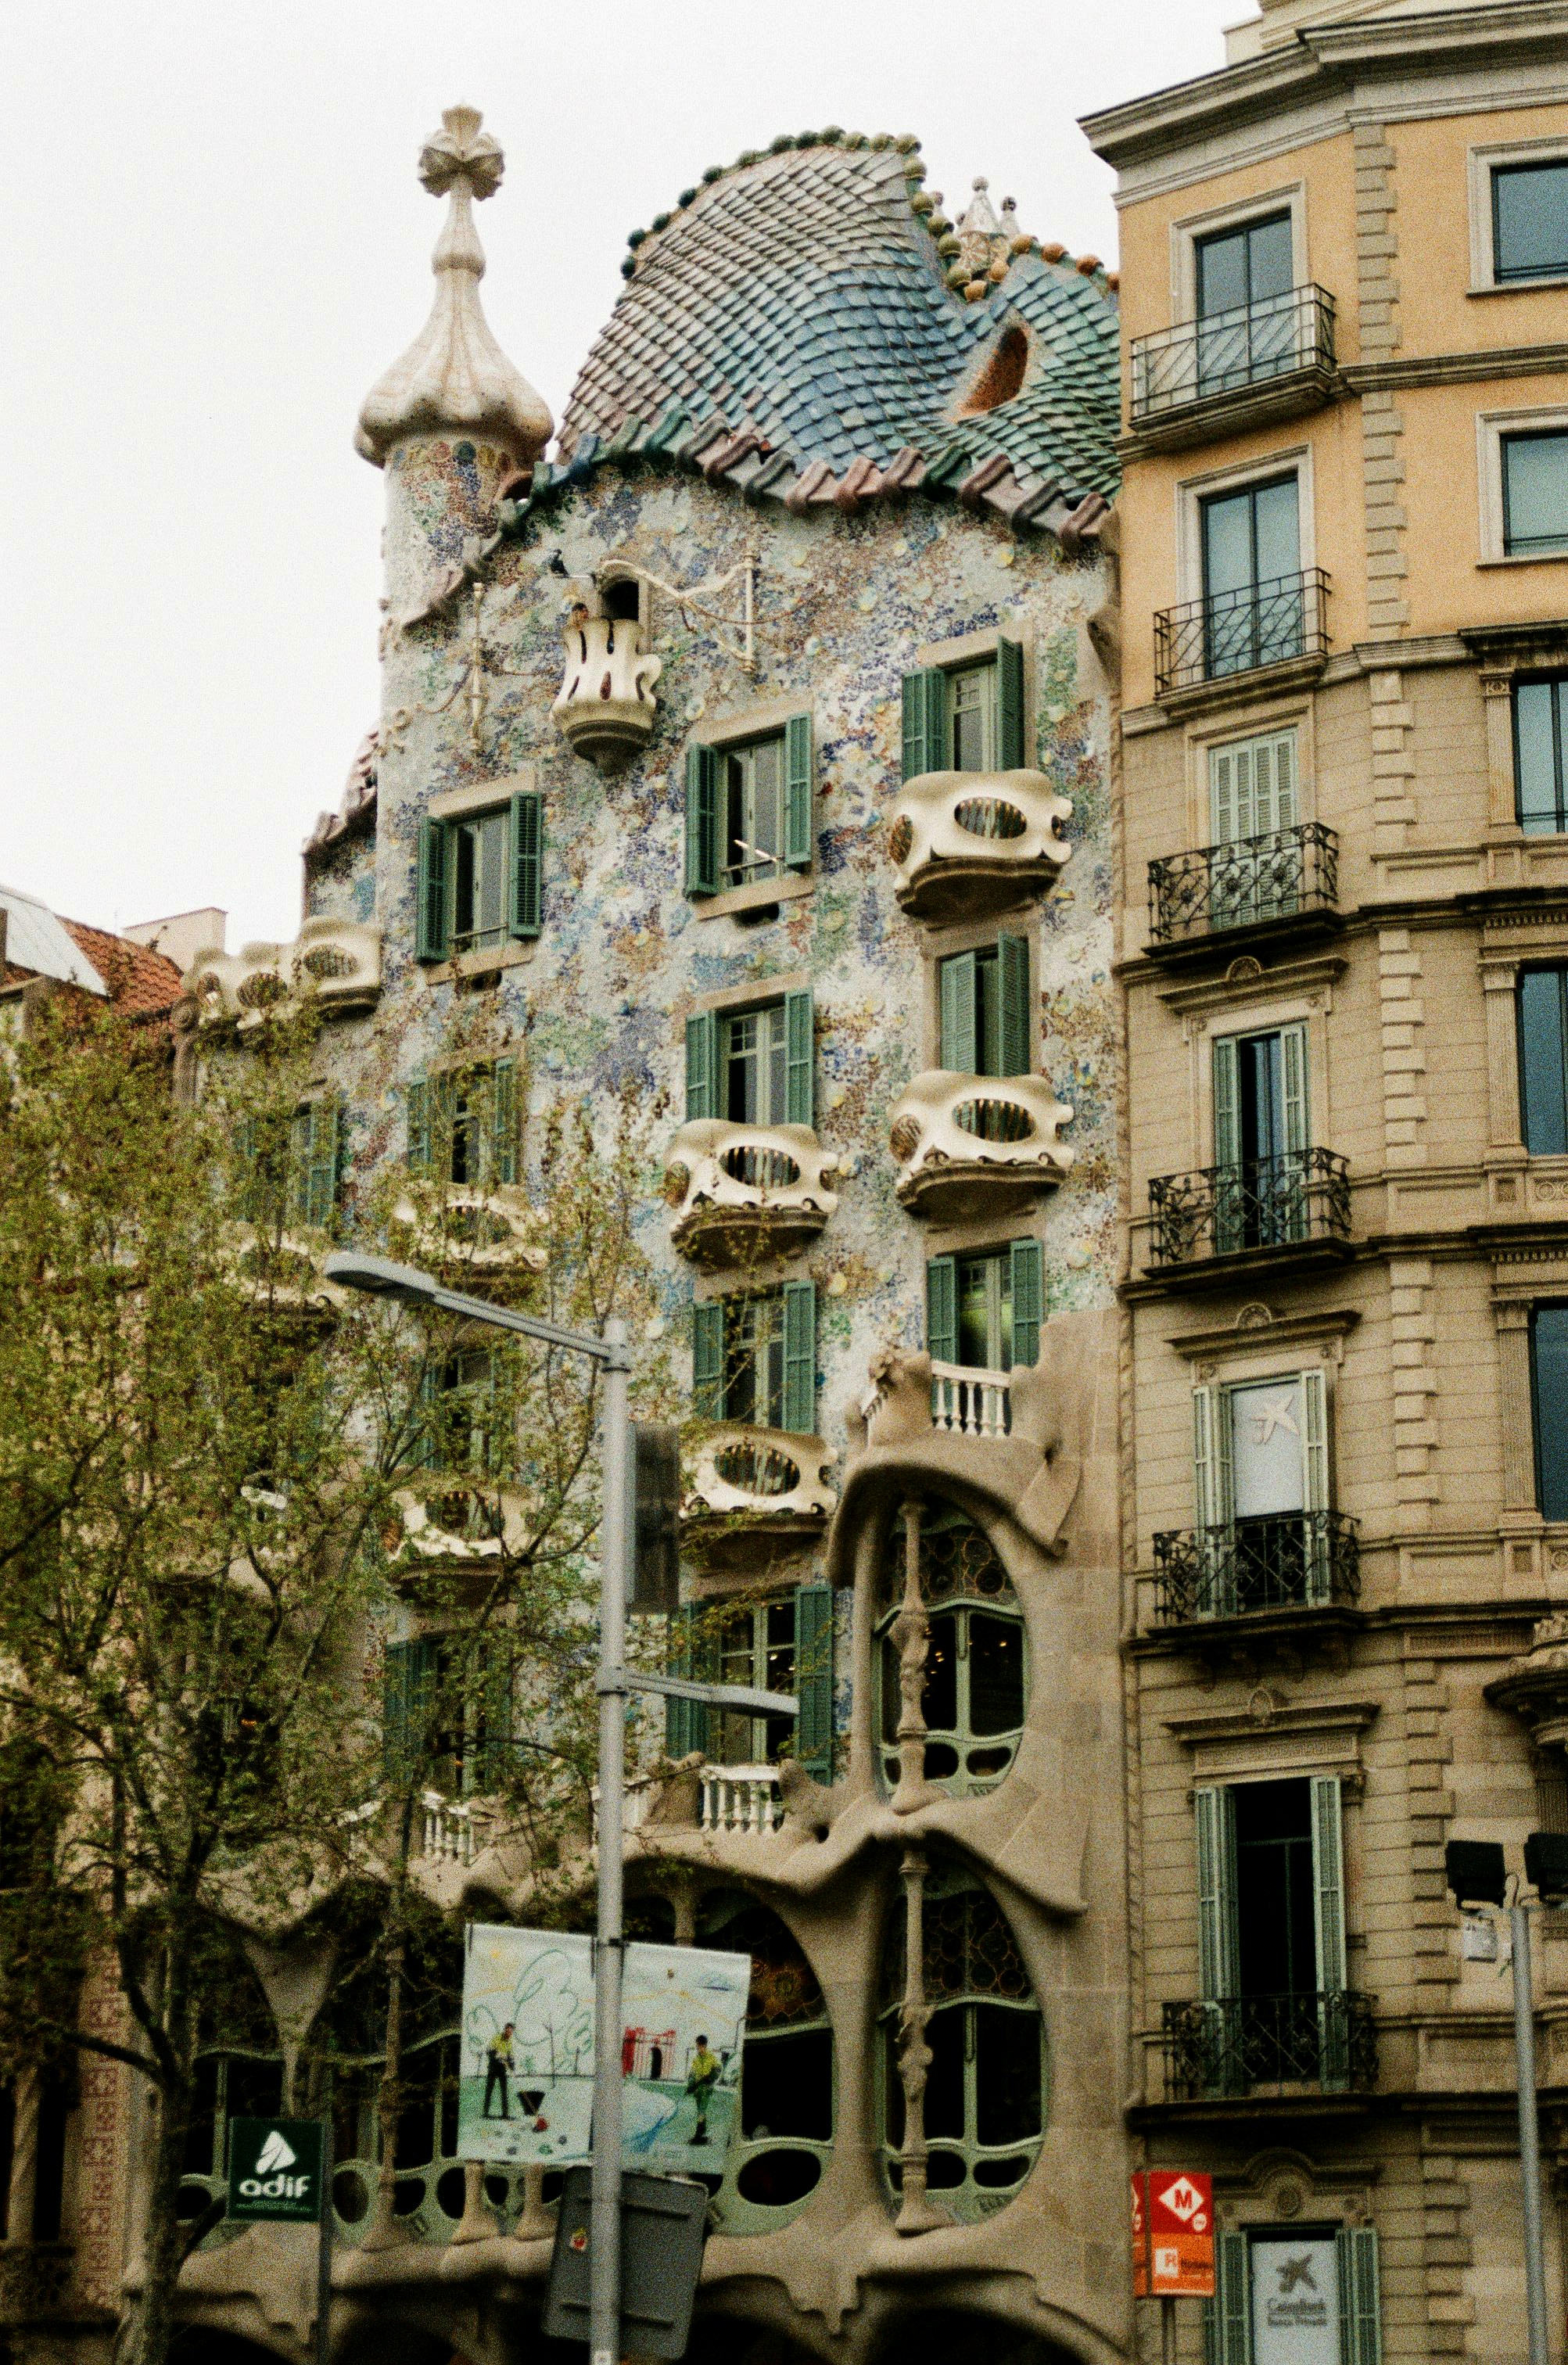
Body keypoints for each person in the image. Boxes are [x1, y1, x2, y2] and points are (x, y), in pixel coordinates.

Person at [685, 2034, 721, 2144]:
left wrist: (710, 2078)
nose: (697, 2048)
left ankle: (698, 2135)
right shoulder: (696, 2059)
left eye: (699, 2046)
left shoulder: (711, 2057)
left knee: (701, 2111)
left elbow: (718, 2069)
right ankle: (703, 2132)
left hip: (706, 2089)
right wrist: (690, 2086)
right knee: (701, 2111)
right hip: (698, 2090)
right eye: (697, 2046)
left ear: (704, 2046)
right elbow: (692, 2074)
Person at [483, 2022, 515, 2119]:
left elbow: (510, 2057)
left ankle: (505, 2114)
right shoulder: (497, 2038)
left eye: (511, 2032)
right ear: (505, 2030)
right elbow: (489, 2051)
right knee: (489, 2090)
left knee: (504, 2091)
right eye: (508, 2030)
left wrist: (512, 2066)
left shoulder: (509, 2042)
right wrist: (497, 2056)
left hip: (502, 2070)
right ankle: (485, 2113)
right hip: (493, 2068)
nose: (509, 2033)